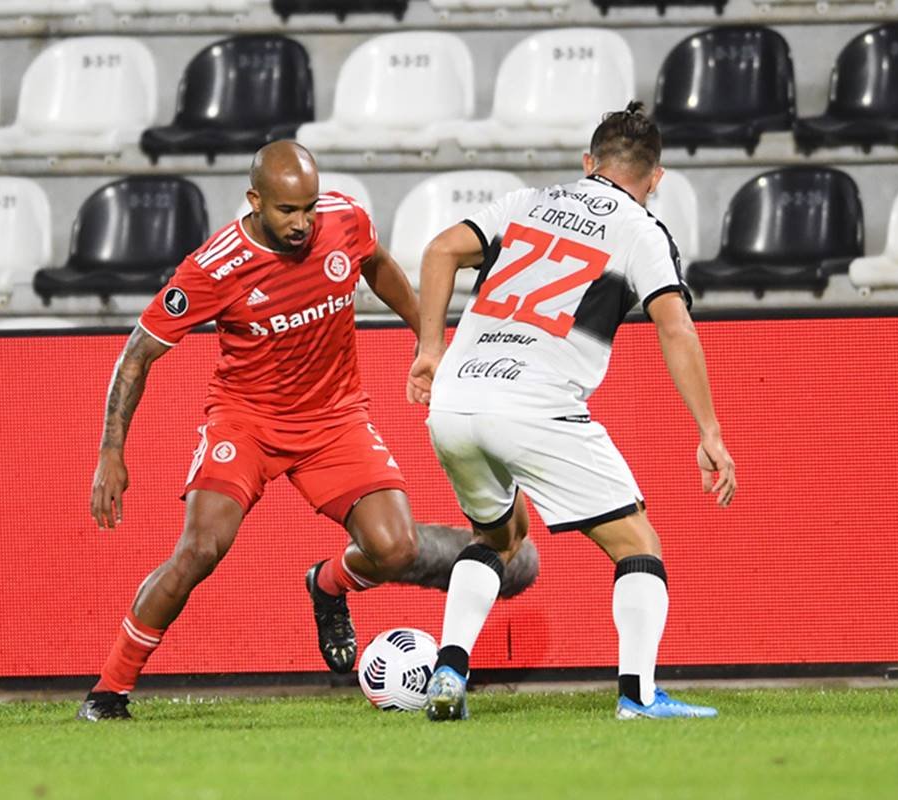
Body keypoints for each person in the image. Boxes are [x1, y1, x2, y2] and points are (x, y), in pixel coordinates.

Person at [77, 141, 537, 722]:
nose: (301, 223)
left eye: (309, 208)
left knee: (394, 548)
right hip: (246, 421)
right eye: (287, 210)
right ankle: (109, 690)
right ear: (255, 200)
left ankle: (328, 585)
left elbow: (379, 266)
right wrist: (110, 453)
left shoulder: (344, 220)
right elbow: (137, 355)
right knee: (199, 549)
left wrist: (429, 341)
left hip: (335, 419)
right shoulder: (213, 268)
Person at [407, 102, 737, 722]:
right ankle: (638, 698)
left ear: (588, 164)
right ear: (656, 178)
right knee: (638, 544)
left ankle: (448, 670)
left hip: (454, 398)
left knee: (499, 537)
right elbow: (676, 326)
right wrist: (709, 431)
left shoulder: (521, 202)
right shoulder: (642, 230)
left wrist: (430, 350)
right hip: (535, 404)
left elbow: (438, 251)